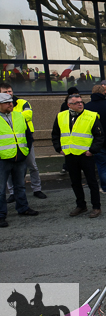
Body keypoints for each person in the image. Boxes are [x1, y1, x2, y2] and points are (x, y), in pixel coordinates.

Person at [52, 93, 104, 218]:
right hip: (70, 155)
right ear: (69, 105)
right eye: (76, 103)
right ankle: (81, 205)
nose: (80, 104)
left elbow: (100, 136)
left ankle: (96, 207)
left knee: (92, 182)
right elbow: (55, 134)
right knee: (75, 182)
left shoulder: (91, 116)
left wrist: (92, 150)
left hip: (86, 155)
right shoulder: (61, 116)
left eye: (81, 102)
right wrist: (59, 148)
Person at [0, 83, 47, 201]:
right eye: (5, 92)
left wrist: (13, 115)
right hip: (8, 147)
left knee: (33, 166)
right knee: (10, 172)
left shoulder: (22, 102)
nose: (9, 94)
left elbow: (28, 115)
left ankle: (37, 189)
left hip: (24, 141)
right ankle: (12, 193)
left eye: (10, 91)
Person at [0, 92, 39, 227]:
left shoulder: (18, 116)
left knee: (20, 186)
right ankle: (1, 215)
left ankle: (23, 208)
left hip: (20, 156)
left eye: (11, 101)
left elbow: (27, 135)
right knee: (1, 190)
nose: (11, 104)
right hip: (3, 159)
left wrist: (26, 150)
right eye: (7, 102)